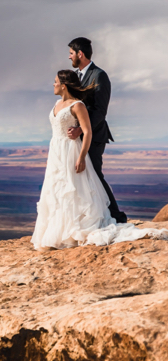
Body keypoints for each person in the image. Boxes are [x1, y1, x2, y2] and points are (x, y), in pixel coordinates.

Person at [31, 70, 168, 250]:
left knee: (74, 189)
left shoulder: (77, 105)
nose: (53, 84)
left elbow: (87, 132)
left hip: (71, 151)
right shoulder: (57, 103)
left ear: (64, 86)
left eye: (55, 82)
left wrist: (81, 157)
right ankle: (57, 230)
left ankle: (73, 229)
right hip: (56, 151)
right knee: (56, 189)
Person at [67, 37, 128, 223]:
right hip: (79, 136)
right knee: (81, 176)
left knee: (95, 175)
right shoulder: (76, 75)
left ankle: (117, 216)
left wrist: (81, 130)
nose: (69, 57)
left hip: (94, 135)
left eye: (71, 53)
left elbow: (99, 111)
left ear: (80, 54)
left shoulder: (99, 75)